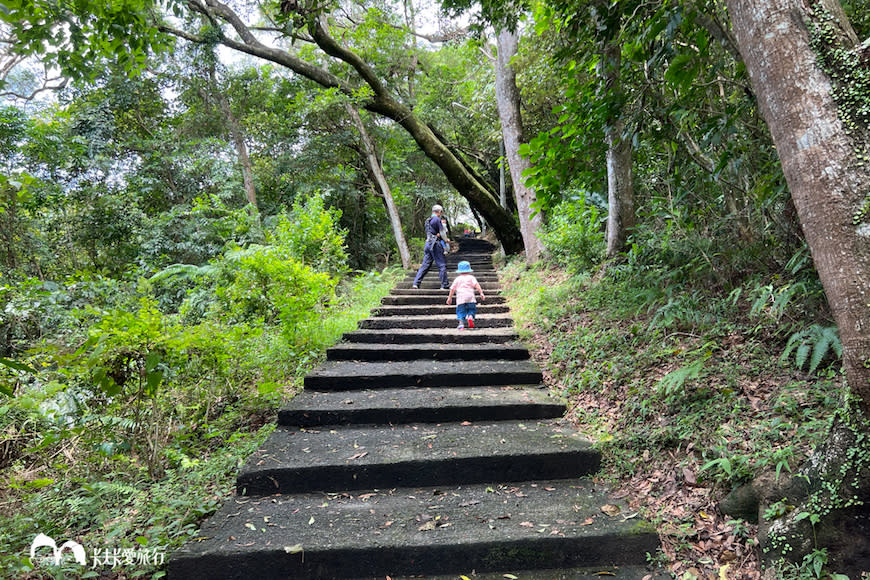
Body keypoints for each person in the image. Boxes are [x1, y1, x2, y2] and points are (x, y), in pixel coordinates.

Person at [412, 204, 449, 289]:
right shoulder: (437, 219)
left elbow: (431, 232)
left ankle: (416, 283)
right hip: (435, 244)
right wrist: (446, 240)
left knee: (425, 265)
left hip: (428, 244)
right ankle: (445, 285)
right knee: (441, 264)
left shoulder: (428, 220)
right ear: (439, 212)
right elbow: (442, 232)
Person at [446, 261, 485, 329]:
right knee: (472, 309)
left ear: (459, 271)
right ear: (469, 270)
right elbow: (476, 285)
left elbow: (452, 289)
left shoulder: (457, 279)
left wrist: (450, 298)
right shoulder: (471, 277)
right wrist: (481, 293)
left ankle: (461, 324)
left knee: (460, 311)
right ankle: (470, 316)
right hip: (470, 297)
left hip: (461, 298)